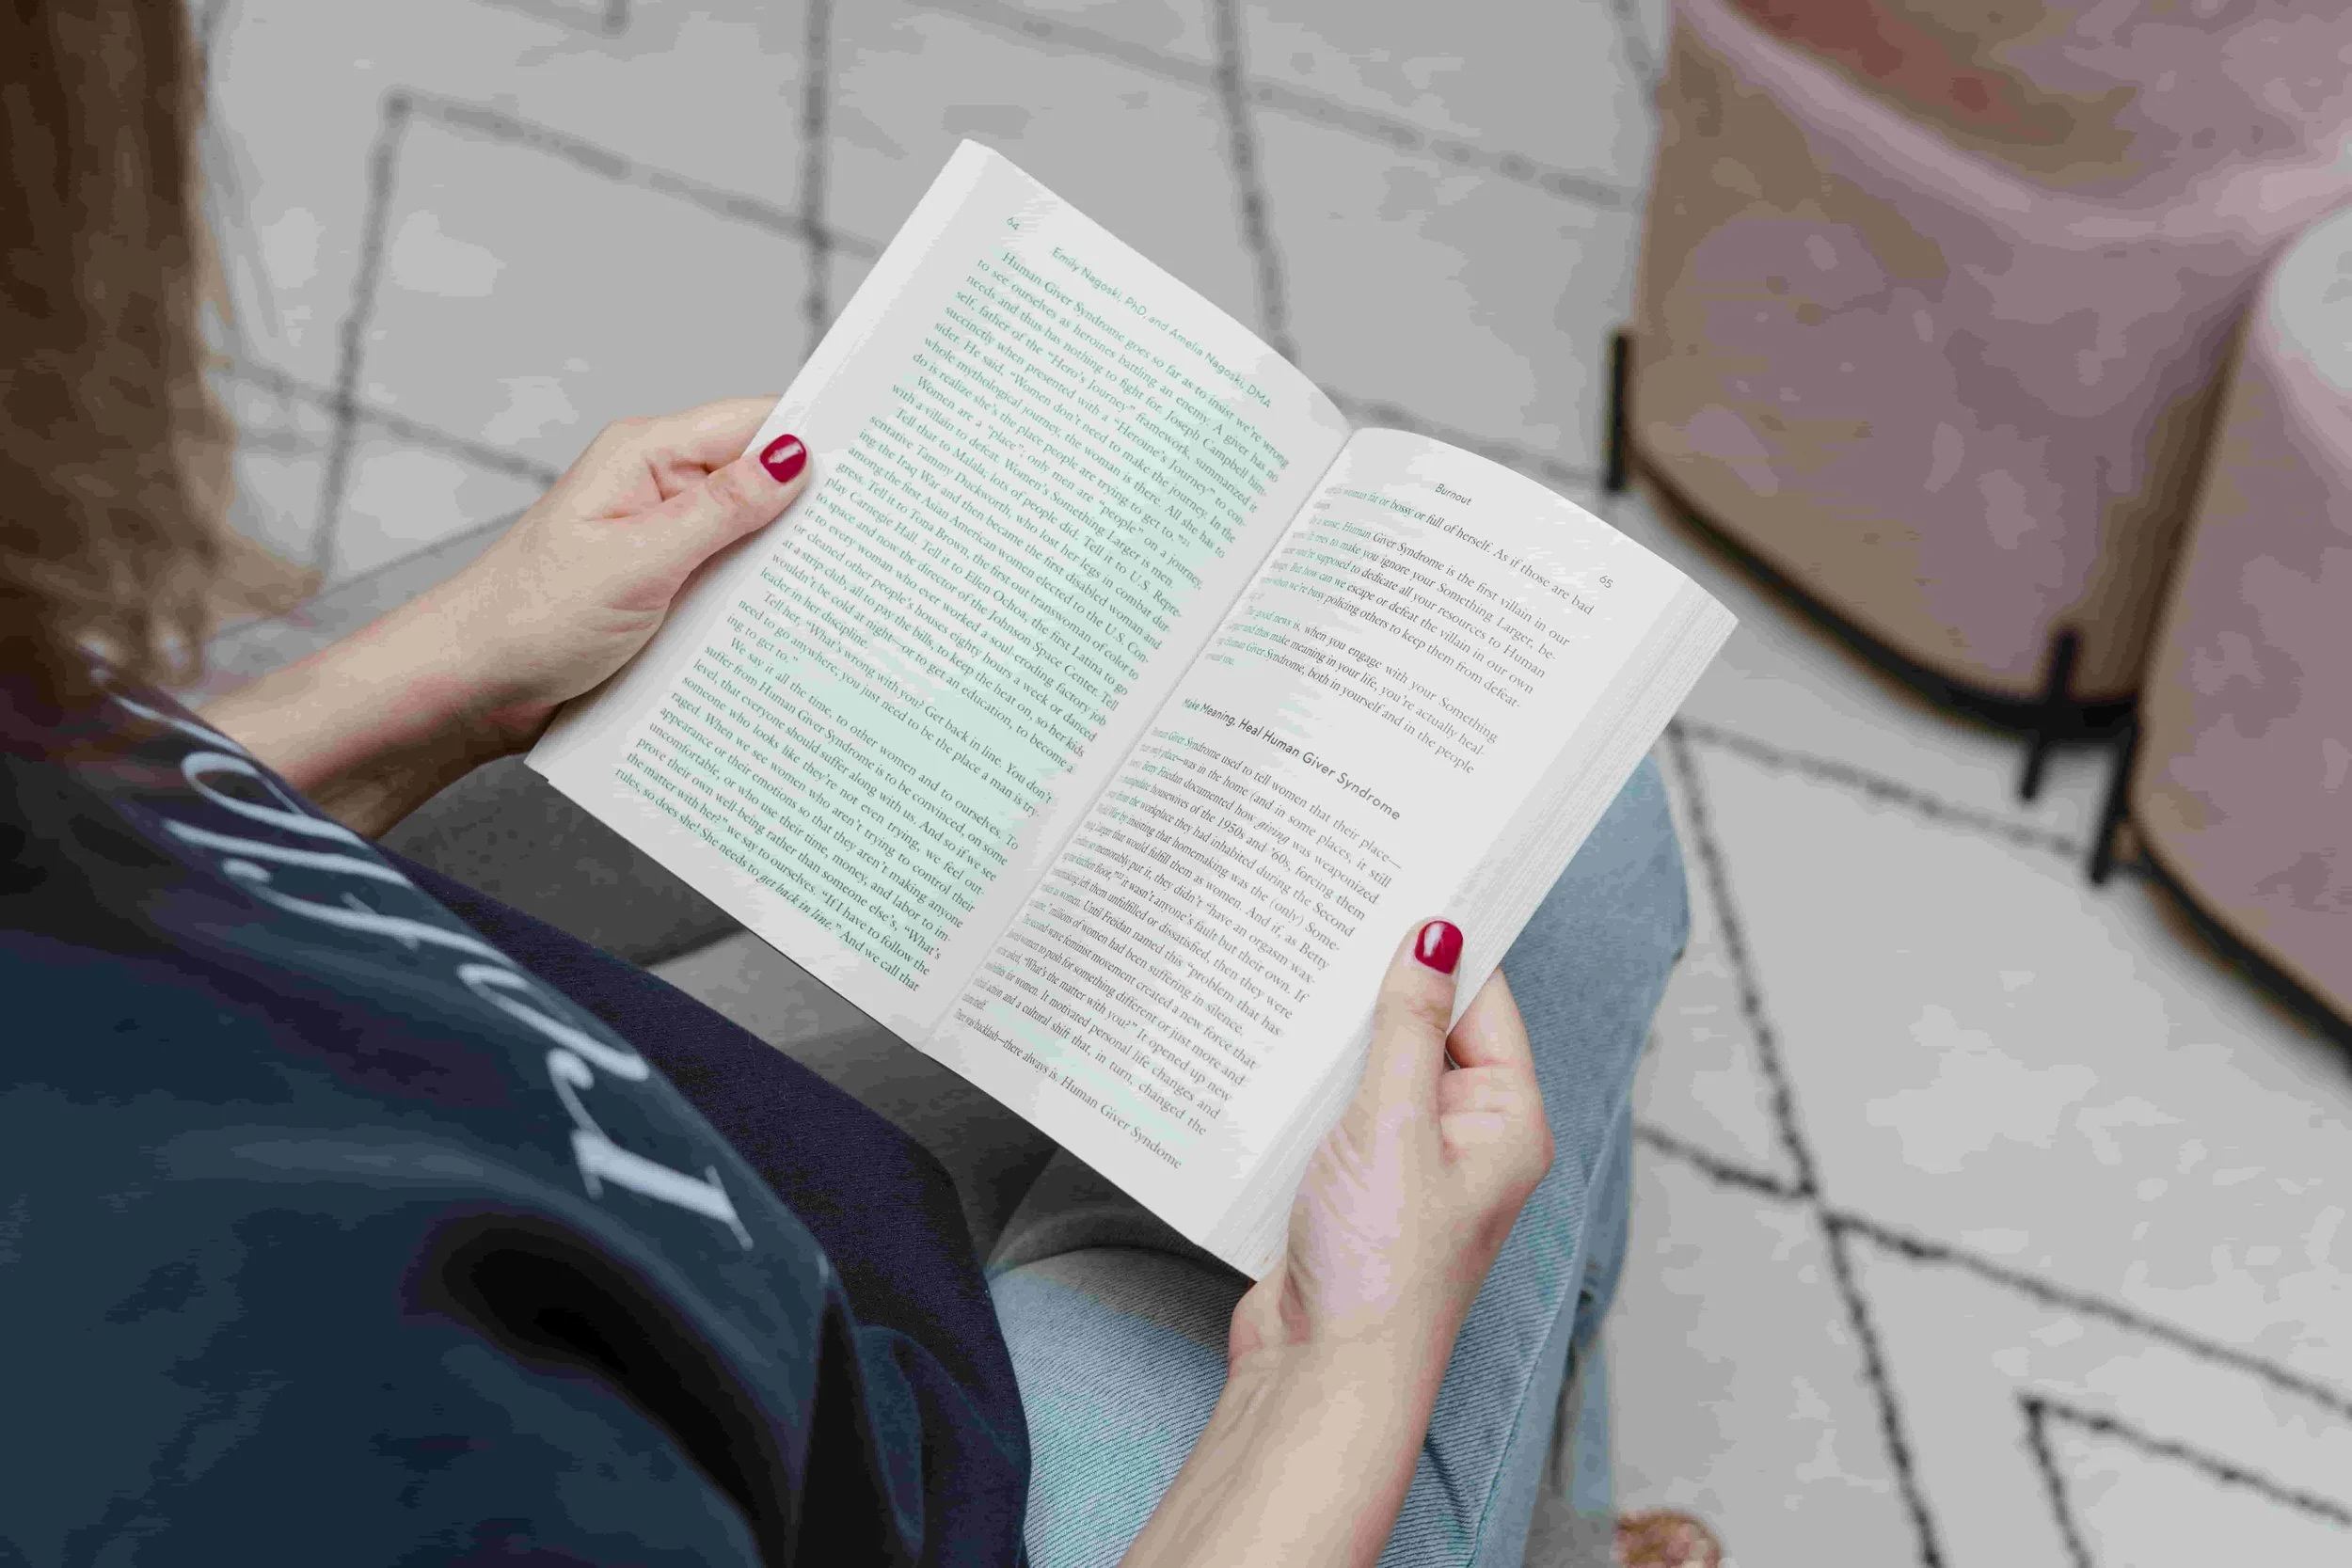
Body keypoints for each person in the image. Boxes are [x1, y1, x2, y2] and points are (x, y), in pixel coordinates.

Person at [0, 6, 1721, 1564]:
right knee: (1565, 847)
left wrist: (445, 675)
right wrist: (1329, 1385)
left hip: (617, 1155)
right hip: (907, 1471)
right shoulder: (281, 1441)